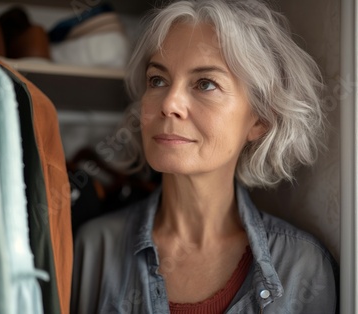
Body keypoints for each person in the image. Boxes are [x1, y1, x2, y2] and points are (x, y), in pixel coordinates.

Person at [70, 0, 339, 313]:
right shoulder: (94, 249)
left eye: (205, 83)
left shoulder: (301, 265)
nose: (169, 103)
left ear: (260, 118)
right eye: (157, 80)